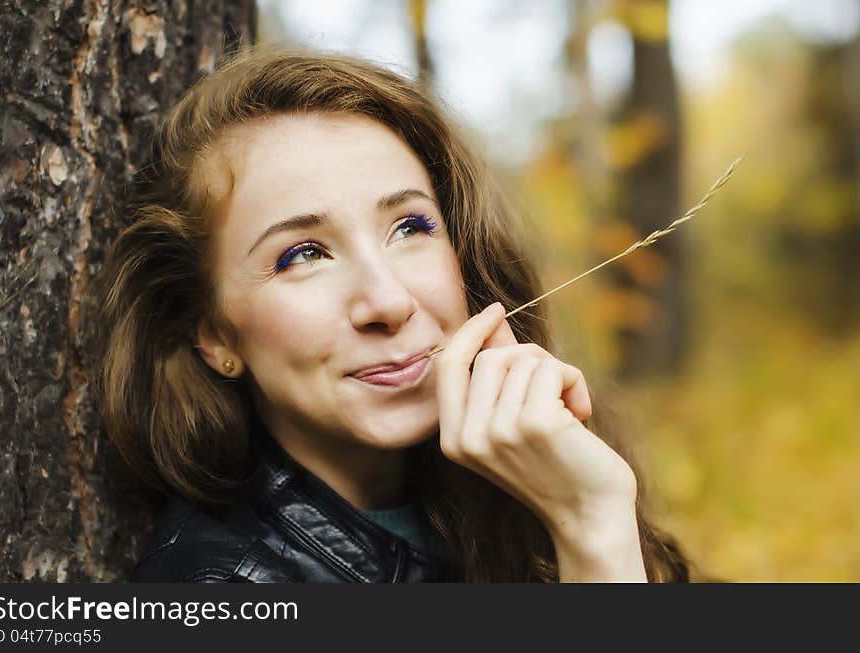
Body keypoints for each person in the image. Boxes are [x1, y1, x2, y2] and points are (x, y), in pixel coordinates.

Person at [95, 47, 691, 583]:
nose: (387, 301)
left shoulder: (493, 507)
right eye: (303, 255)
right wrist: (589, 528)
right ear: (213, 333)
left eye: (410, 226)